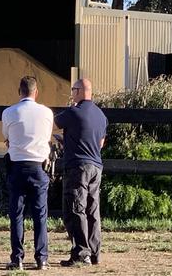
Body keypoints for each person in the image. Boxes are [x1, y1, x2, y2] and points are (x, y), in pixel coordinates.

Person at [1, 76, 54, 271]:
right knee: (40, 214)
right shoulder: (47, 113)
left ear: (19, 91)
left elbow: (6, 137)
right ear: (36, 92)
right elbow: (47, 137)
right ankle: (42, 258)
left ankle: (17, 258)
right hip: (39, 167)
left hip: (17, 166)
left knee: (16, 214)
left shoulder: (8, 112)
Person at [55, 78, 108, 267]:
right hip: (96, 166)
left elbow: (55, 122)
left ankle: (81, 252)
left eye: (73, 89)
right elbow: (100, 143)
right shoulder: (101, 115)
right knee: (93, 210)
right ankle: (94, 253)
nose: (71, 93)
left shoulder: (73, 112)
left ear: (78, 91)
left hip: (77, 166)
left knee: (76, 208)